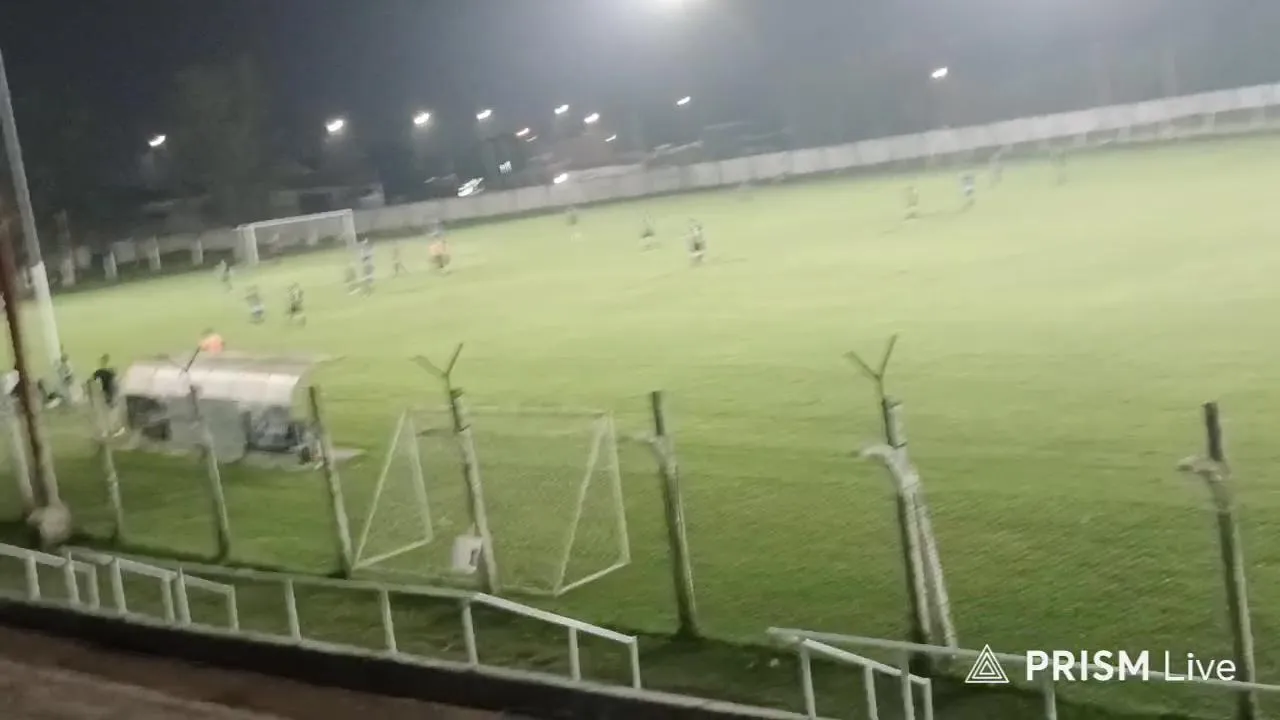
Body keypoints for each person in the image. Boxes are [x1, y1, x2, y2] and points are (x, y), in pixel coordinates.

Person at [91, 355, 125, 436]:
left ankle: (114, 429)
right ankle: (111, 429)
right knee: (109, 413)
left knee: (110, 413)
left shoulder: (103, 373)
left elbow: (96, 381)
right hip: (108, 395)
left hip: (109, 395)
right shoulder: (105, 373)